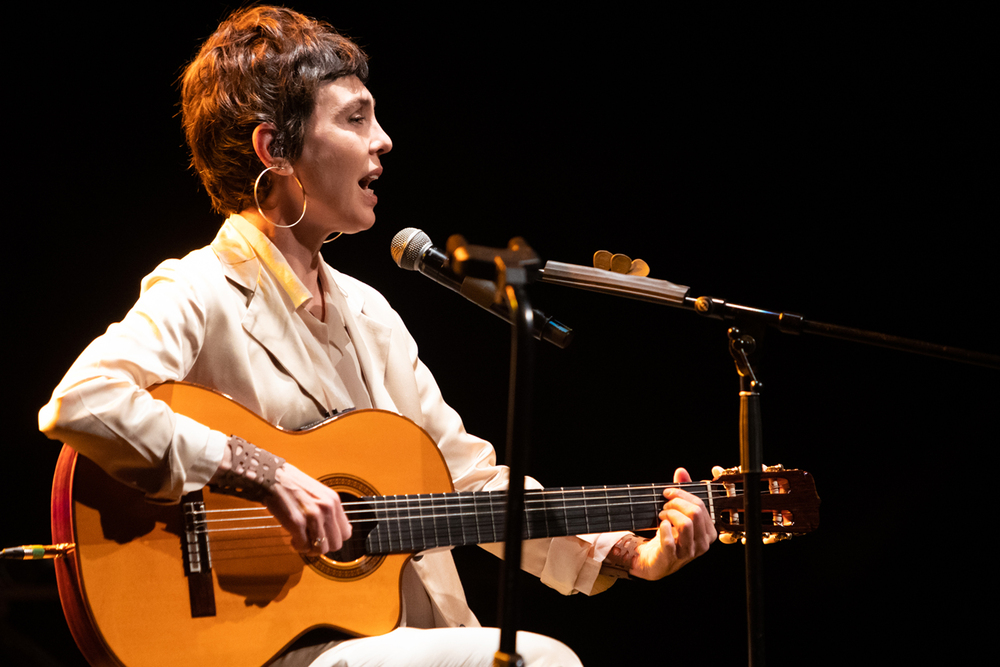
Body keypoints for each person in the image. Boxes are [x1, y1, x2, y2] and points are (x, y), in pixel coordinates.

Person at [38, 6, 716, 666]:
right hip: (274, 643)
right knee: (543, 659)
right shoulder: (201, 289)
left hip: (403, 637)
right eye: (355, 118)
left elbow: (469, 482)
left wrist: (628, 550)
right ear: (276, 148)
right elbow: (84, 402)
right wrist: (267, 473)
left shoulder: (370, 312)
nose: (383, 139)